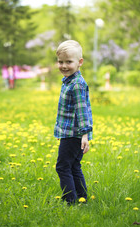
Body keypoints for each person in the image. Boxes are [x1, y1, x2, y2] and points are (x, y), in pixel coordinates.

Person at [54, 40, 93, 204]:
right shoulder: (71, 80)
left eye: (68, 62)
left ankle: (69, 200)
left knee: (62, 167)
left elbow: (82, 111)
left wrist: (85, 135)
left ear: (80, 62)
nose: (64, 65)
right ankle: (81, 197)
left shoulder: (76, 84)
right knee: (74, 167)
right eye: (60, 61)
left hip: (74, 134)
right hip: (71, 133)